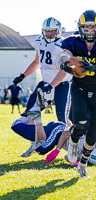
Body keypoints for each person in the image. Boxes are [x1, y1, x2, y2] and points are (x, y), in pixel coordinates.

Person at [49, 10, 96, 178]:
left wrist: (95, 67)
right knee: (79, 125)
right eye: (86, 29)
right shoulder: (72, 42)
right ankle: (73, 143)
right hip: (79, 88)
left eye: (93, 28)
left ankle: (82, 164)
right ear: (80, 29)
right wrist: (64, 65)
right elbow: (62, 58)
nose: (89, 32)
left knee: (93, 134)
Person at [13, 17, 72, 156]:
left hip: (62, 84)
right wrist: (23, 75)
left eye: (52, 31)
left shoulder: (65, 44)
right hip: (45, 84)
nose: (49, 34)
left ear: (58, 31)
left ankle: (68, 149)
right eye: (47, 31)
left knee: (62, 119)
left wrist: (51, 85)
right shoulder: (39, 41)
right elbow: (36, 62)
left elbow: (63, 71)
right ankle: (37, 142)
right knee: (30, 116)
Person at [11, 116, 96, 166]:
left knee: (40, 145)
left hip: (56, 135)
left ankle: (35, 133)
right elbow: (66, 133)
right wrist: (57, 150)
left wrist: (78, 160)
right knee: (42, 149)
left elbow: (67, 158)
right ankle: (35, 118)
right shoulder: (91, 137)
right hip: (59, 130)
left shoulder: (84, 156)